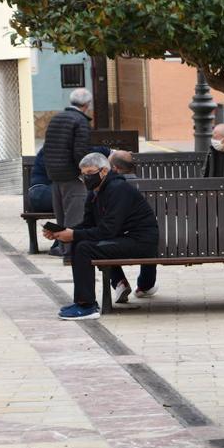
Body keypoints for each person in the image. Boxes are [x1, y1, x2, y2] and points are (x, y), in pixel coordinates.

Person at [43, 152, 159, 320]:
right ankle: (83, 302)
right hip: (122, 238)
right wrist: (61, 232)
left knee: (84, 248)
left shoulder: (118, 189)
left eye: (90, 173)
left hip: (140, 242)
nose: (86, 178)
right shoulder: (95, 191)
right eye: (83, 174)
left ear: (104, 171)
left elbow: (107, 230)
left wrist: (74, 235)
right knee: (80, 243)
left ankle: (87, 306)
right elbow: (88, 225)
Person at [43, 88, 93, 260]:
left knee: (61, 215)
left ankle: (64, 250)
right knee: (75, 215)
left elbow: (47, 148)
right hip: (72, 175)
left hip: (55, 175)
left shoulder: (56, 118)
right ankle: (72, 254)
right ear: (87, 104)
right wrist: (85, 173)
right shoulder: (80, 122)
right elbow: (81, 153)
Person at [104, 150, 158, 302]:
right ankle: (145, 286)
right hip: (155, 241)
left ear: (115, 168)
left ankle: (119, 282)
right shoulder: (150, 186)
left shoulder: (110, 188)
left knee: (101, 242)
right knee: (149, 238)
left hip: (120, 241)